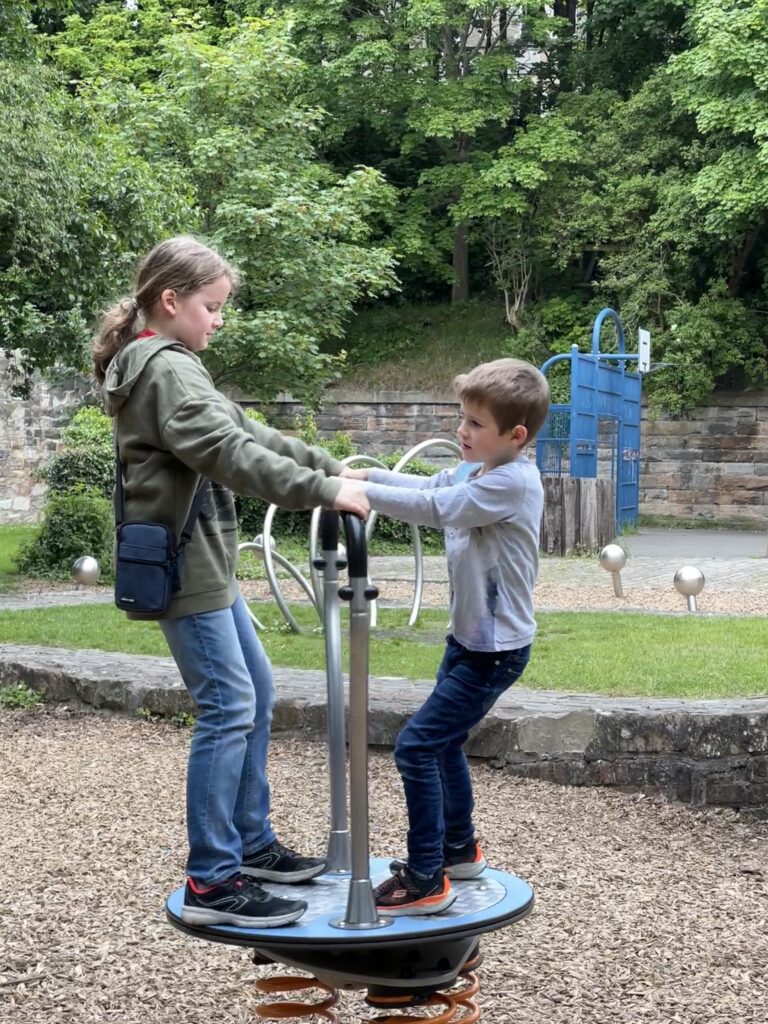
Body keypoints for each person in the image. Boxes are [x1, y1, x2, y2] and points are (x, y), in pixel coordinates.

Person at [93, 236, 369, 929]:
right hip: (186, 567)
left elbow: (246, 429)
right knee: (228, 705)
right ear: (171, 301)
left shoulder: (172, 365)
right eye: (212, 307)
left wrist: (329, 467)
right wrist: (322, 490)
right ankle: (212, 879)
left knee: (256, 690)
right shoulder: (164, 370)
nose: (219, 319)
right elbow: (227, 453)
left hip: (203, 560)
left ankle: (248, 844)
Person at [342, 358, 549, 916]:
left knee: (417, 744)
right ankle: (460, 849)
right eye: (462, 418)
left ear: (515, 435)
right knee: (444, 742)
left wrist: (359, 495)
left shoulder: (511, 483)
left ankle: (427, 875)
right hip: (469, 642)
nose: (462, 431)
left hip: (497, 652)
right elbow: (430, 483)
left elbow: (438, 507)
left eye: (476, 424)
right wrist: (362, 478)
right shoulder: (477, 469)